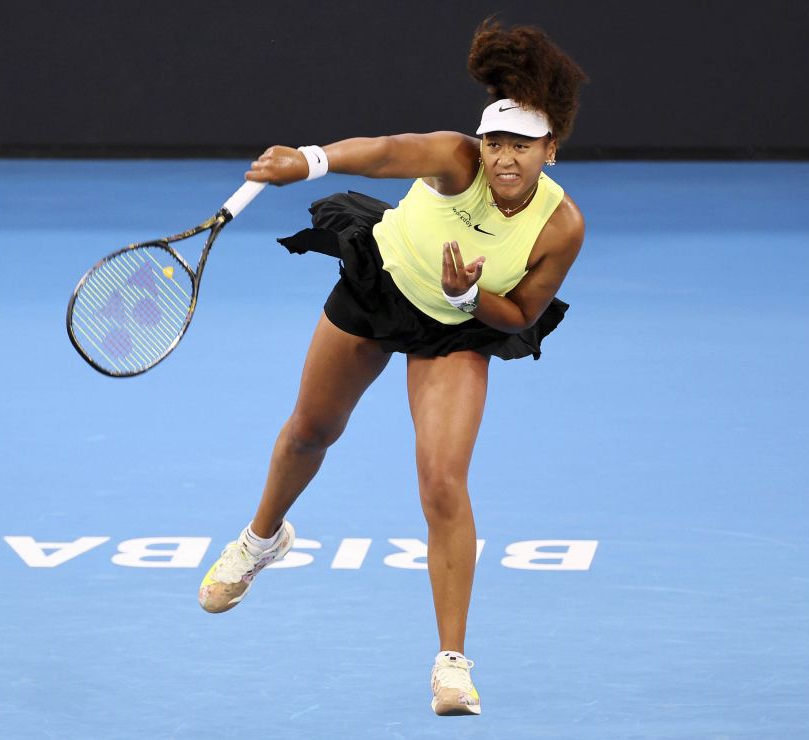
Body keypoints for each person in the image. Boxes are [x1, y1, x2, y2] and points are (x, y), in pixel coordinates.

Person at [197, 19, 587, 717]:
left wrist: (470, 295)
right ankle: (261, 540)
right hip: (381, 285)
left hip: (460, 328)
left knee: (443, 482)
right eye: (497, 141)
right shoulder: (455, 157)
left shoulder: (562, 227)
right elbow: (383, 153)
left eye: (522, 146)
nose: (504, 157)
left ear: (549, 149)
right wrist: (309, 160)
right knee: (309, 432)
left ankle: (451, 665)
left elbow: (524, 312)